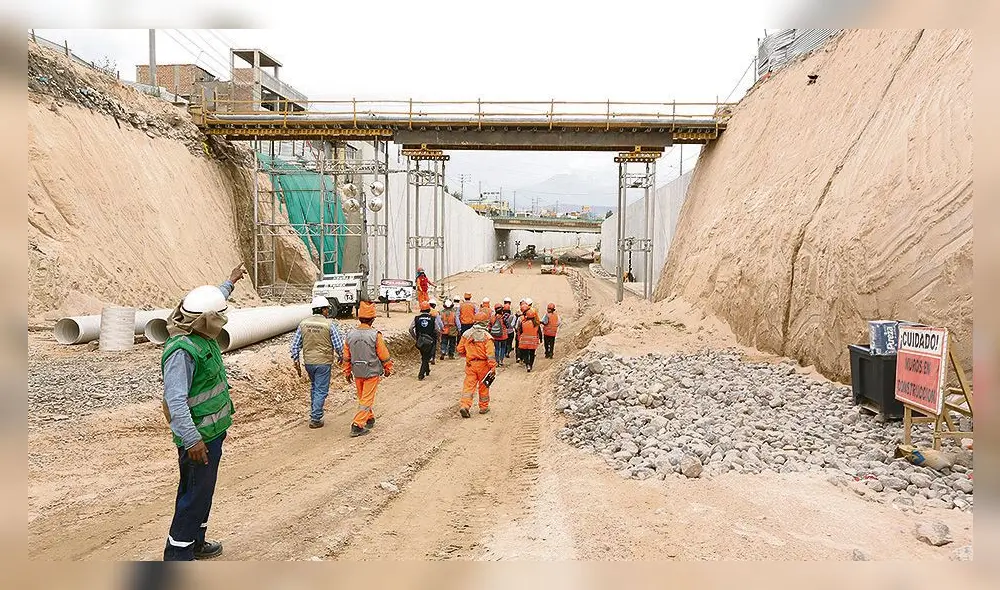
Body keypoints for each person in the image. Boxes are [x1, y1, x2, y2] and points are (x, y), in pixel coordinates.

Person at [160, 263, 245, 561]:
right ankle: (177, 556)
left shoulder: (198, 328)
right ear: (206, 322)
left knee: (201, 492)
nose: (221, 322)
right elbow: (175, 399)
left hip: (211, 434)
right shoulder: (182, 351)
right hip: (198, 440)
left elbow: (212, 301)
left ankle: (196, 540)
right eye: (218, 319)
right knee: (193, 494)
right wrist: (192, 440)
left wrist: (230, 282)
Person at [290, 295, 345, 428]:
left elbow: (295, 345)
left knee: (315, 387)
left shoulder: (303, 324)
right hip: (323, 362)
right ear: (323, 310)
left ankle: (314, 411)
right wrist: (341, 356)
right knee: (321, 390)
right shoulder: (329, 325)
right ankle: (315, 418)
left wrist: (296, 360)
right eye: (327, 309)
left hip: (309, 362)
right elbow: (338, 345)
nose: (327, 311)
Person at [342, 301, 394, 437]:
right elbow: (384, 355)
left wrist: (347, 371)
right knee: (366, 398)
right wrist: (388, 368)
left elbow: (346, 356)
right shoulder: (375, 335)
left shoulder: (350, 335)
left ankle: (369, 418)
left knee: (363, 396)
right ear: (373, 319)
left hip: (357, 371)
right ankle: (357, 425)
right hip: (371, 372)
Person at [456, 311, 496, 417]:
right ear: (485, 323)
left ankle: (465, 406)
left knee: (468, 387)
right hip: (484, 366)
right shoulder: (487, 337)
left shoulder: (466, 334)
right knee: (483, 386)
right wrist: (492, 367)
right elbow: (490, 354)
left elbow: (459, 349)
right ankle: (483, 407)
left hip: (470, 364)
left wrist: (469, 355)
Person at [409, 301, 438, 380]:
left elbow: (411, 329)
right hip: (430, 340)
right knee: (426, 357)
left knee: (424, 356)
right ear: (429, 309)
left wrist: (415, 337)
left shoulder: (416, 318)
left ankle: (427, 370)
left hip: (420, 341)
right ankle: (421, 374)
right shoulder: (433, 318)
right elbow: (437, 329)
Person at [428, 298, 440, 364]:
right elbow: (439, 323)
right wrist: (440, 330)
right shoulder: (435, 312)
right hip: (433, 331)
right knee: (433, 345)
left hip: (426, 331)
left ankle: (427, 357)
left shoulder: (426, 311)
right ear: (434, 305)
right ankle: (432, 357)